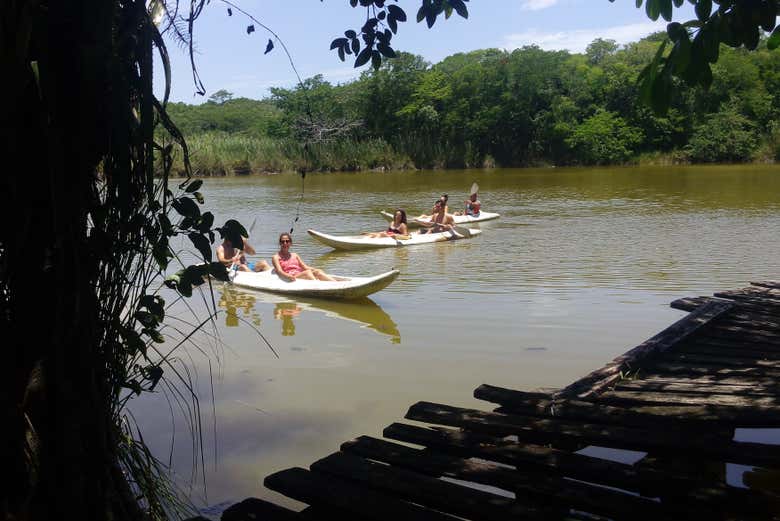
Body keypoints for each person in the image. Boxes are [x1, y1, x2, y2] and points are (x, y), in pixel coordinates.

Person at [272, 232, 343, 281]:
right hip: (291, 276)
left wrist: (315, 269)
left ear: (290, 243)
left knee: (317, 271)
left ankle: (336, 284)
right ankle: (319, 286)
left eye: (287, 241)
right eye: (282, 241)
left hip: (299, 274)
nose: (285, 243)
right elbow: (279, 271)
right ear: (280, 243)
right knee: (307, 272)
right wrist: (288, 276)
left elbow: (305, 267)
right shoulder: (276, 257)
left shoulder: (295, 255)